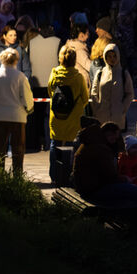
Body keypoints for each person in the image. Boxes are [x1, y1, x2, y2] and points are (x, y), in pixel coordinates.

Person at [72, 122, 137, 236]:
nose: (115, 139)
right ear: (105, 134)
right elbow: (110, 176)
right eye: (112, 136)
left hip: (87, 187)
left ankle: (132, 223)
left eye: (116, 136)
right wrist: (125, 179)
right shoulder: (101, 149)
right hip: (93, 191)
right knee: (135, 191)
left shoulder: (91, 143)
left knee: (131, 191)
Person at [0, 48, 34, 174]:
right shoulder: (21, 77)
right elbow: (27, 99)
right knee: (18, 150)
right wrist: (29, 109)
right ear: (16, 60)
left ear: (1, 59)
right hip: (17, 117)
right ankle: (17, 176)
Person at [48, 44, 88, 177]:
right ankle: (68, 174)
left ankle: (54, 174)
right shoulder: (78, 77)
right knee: (72, 146)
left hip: (57, 116)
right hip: (73, 117)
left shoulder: (54, 74)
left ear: (60, 58)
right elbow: (85, 97)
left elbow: (50, 92)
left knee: (55, 144)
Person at [90, 44, 134, 130]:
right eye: (109, 56)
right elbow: (94, 92)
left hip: (118, 118)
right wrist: (97, 107)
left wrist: (123, 108)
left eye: (114, 56)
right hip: (102, 117)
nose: (112, 59)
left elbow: (130, 93)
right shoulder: (100, 73)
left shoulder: (124, 74)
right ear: (105, 57)